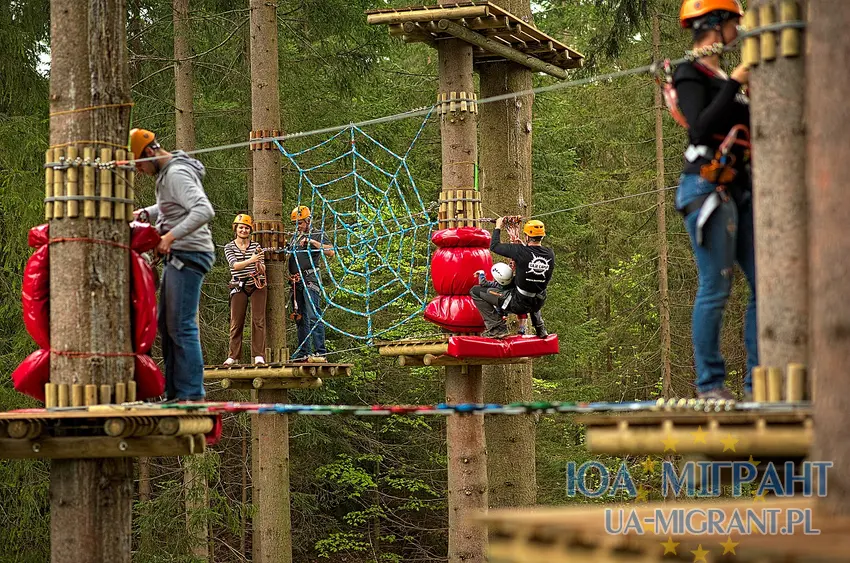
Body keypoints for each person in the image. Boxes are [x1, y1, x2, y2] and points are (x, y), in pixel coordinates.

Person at [675, 0, 757, 400]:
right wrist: (735, 82)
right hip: (706, 187)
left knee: (764, 284)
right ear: (716, 23)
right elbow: (700, 128)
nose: (738, 32)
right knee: (716, 285)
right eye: (734, 24)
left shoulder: (724, 77)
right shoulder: (690, 72)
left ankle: (759, 382)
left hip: (741, 189)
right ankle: (710, 385)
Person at [131, 128, 215, 402]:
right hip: (181, 254)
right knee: (167, 325)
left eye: (139, 164)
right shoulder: (168, 174)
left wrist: (169, 236)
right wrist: (145, 213)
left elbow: (203, 210)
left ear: (149, 152)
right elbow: (169, 206)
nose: (140, 171)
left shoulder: (176, 173)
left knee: (180, 325)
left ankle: (191, 395)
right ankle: (176, 393)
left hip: (189, 254)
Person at [470, 217, 554, 339]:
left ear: (526, 236)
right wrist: (523, 246)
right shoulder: (550, 254)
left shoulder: (520, 251)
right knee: (536, 287)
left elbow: (494, 246)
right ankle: (540, 328)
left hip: (518, 303)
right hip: (537, 303)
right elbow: (532, 255)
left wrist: (498, 226)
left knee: (475, 291)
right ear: (542, 236)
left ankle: (497, 328)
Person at [288, 205, 334, 360]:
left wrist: (312, 242)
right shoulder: (295, 237)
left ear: (308, 221)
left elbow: (331, 251)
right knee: (300, 317)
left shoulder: (317, 234)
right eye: (296, 224)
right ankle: (304, 352)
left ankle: (321, 352)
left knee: (314, 315)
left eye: (300, 223)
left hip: (310, 280)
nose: (298, 226)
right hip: (296, 281)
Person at [223, 214, 267, 366]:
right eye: (241, 227)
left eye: (247, 228)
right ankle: (233, 356)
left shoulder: (256, 247)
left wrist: (260, 266)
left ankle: (259, 355)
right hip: (238, 285)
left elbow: (262, 266)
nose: (243, 230)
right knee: (236, 321)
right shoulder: (229, 247)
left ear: (250, 230)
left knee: (258, 320)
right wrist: (251, 260)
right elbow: (234, 265)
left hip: (257, 284)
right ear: (236, 229)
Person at [473, 264, 529, 335]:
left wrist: (481, 274)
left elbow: (483, 283)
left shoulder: (496, 284)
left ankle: (498, 328)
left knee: (497, 313)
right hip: (513, 305)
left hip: (503, 307)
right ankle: (522, 328)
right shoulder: (515, 282)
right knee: (522, 310)